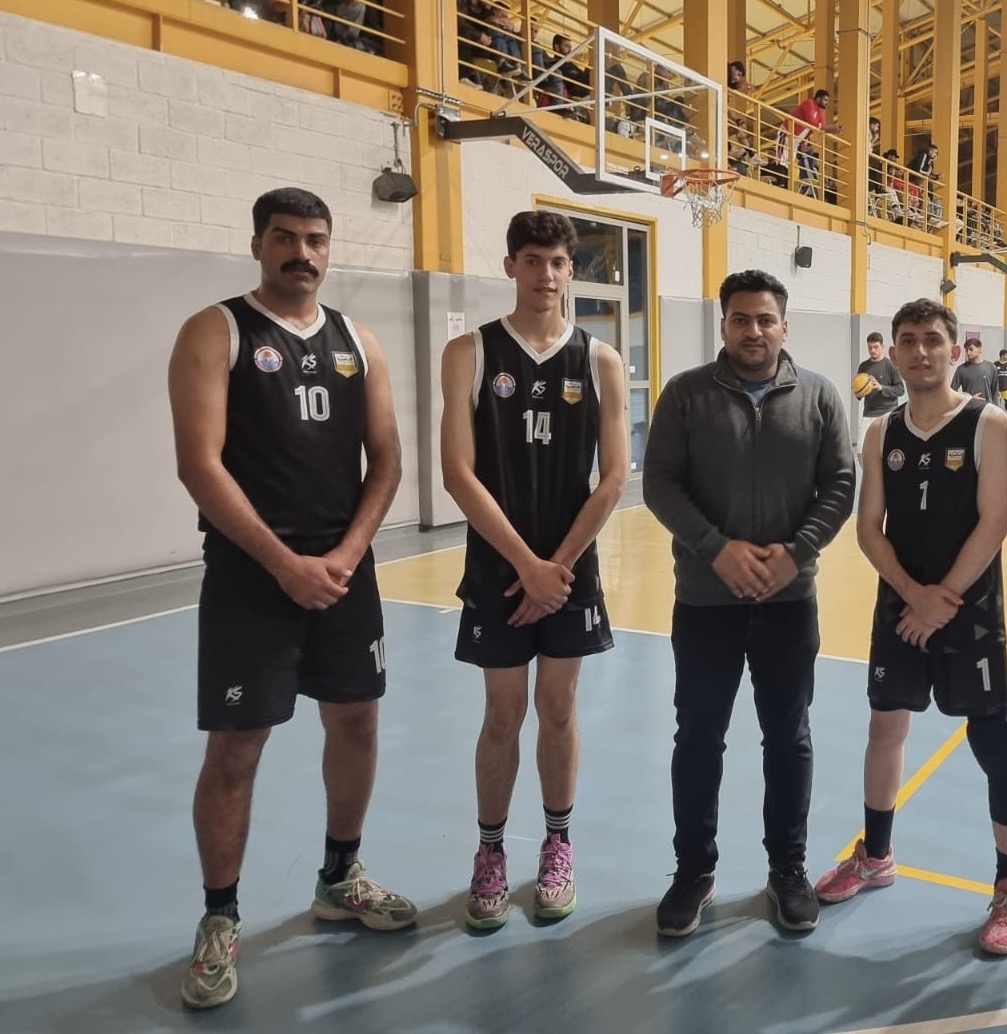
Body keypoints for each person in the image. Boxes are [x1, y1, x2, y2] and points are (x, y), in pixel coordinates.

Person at [168, 187, 415, 1010]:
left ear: (329, 248)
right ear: (257, 245)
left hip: (344, 573)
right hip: (251, 575)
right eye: (284, 238)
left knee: (357, 721)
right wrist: (282, 563)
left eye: (314, 239)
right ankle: (220, 916)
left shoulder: (359, 341)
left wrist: (342, 555)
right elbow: (199, 464)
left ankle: (340, 875)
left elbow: (386, 459)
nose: (301, 252)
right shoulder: (216, 331)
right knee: (237, 748)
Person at [643, 269, 856, 937]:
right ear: (724, 325)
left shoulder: (818, 396)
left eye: (765, 319)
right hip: (706, 600)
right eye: (741, 319)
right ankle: (693, 872)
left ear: (784, 326)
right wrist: (717, 549)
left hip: (789, 600)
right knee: (698, 737)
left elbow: (840, 483)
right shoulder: (685, 395)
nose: (753, 331)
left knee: (788, 738)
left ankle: (787, 870)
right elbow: (659, 484)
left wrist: (795, 552)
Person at [814, 299, 1007, 955]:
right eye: (906, 340)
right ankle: (876, 856)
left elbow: (994, 523)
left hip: (971, 607)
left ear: (952, 349)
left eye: (932, 339)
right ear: (894, 351)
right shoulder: (881, 431)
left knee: (990, 735)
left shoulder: (989, 423)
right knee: (885, 727)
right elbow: (867, 528)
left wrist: (943, 599)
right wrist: (914, 596)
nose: (919, 351)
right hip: (900, 607)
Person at [440, 210, 629, 930]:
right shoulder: (470, 353)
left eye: (557, 262)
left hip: (569, 567)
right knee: (502, 714)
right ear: (510, 266)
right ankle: (490, 853)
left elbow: (615, 477)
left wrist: (559, 568)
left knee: (557, 709)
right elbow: (458, 474)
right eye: (531, 260)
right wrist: (528, 566)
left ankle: (557, 844)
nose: (545, 274)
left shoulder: (599, 360)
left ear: (570, 270)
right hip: (500, 566)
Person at [855, 331, 905, 453]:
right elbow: (859, 393)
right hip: (868, 413)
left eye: (875, 347)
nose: (872, 350)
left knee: (887, 450)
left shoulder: (891, 366)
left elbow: (900, 390)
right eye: (870, 347)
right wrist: (858, 394)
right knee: (861, 451)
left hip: (887, 413)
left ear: (882, 347)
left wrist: (881, 387)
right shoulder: (863, 366)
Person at [951, 338, 1000, 403]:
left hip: (987, 407)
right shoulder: (961, 369)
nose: (968, 353)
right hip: (969, 408)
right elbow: (952, 392)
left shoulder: (991, 367)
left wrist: (996, 408)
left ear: (979, 349)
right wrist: (968, 398)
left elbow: (995, 392)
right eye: (966, 350)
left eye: (971, 349)